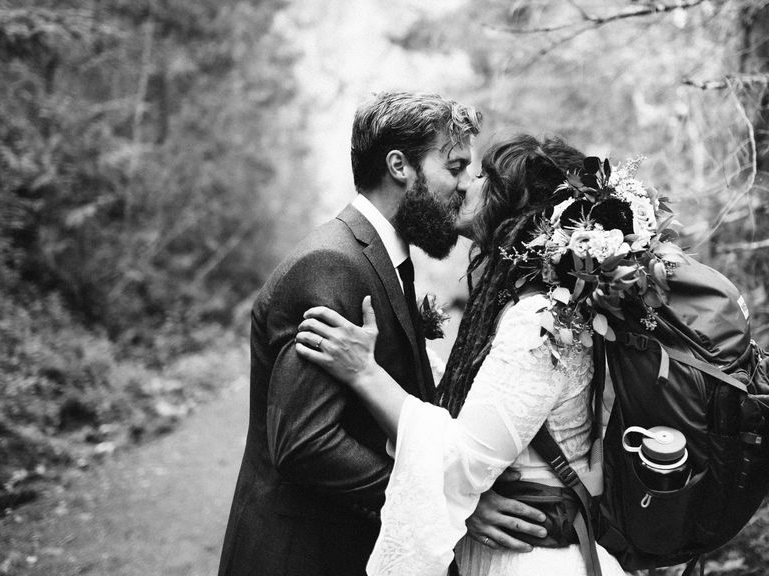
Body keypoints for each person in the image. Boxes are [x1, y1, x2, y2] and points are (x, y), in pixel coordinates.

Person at [217, 92, 546, 576]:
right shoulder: (332, 263)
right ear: (399, 165)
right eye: (454, 168)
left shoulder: (382, 258)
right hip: (298, 555)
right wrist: (442, 498)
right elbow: (304, 441)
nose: (463, 187)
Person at [294, 135, 632, 576]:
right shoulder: (534, 308)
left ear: (517, 208)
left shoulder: (540, 322)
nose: (466, 185)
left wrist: (363, 372)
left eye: (484, 176)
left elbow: (463, 462)